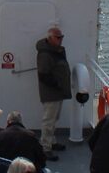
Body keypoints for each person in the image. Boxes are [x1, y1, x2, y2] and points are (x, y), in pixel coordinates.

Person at [36, 26, 70, 161]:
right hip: (51, 92)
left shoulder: (55, 50)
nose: (61, 40)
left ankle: (52, 141)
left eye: (62, 37)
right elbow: (43, 75)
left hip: (57, 91)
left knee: (54, 118)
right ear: (50, 38)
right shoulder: (45, 54)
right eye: (58, 37)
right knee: (49, 120)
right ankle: (45, 147)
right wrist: (57, 84)